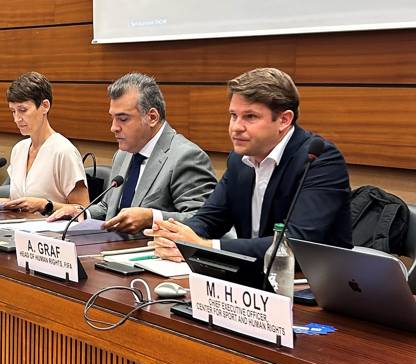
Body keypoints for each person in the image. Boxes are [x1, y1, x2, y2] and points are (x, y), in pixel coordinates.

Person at [148, 67, 352, 264]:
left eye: (250, 117)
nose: (236, 127)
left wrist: (207, 246)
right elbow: (209, 219)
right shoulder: (240, 160)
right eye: (233, 115)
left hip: (312, 287)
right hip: (252, 280)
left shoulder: (319, 159)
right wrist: (175, 236)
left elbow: (298, 242)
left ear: (284, 120)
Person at [48, 72, 216, 234]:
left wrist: (152, 218)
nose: (113, 127)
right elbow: (108, 209)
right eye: (112, 118)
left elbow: (203, 221)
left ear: (152, 117)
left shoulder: (186, 157)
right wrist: (82, 213)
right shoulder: (123, 154)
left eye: (123, 119)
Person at [0, 72, 89, 214]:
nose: (17, 118)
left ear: (45, 106)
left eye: (23, 110)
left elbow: (82, 210)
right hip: (17, 229)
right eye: (13, 111)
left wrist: (44, 204)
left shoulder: (63, 151)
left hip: (50, 233)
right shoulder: (19, 148)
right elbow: (17, 202)